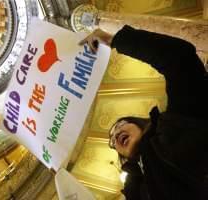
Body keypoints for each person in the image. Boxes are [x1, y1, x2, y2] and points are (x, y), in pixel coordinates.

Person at [80, 25, 208, 200]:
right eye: (112, 140)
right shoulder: (136, 191)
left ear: (140, 123)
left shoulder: (176, 125)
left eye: (120, 125)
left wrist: (114, 40)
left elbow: (180, 59)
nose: (116, 134)